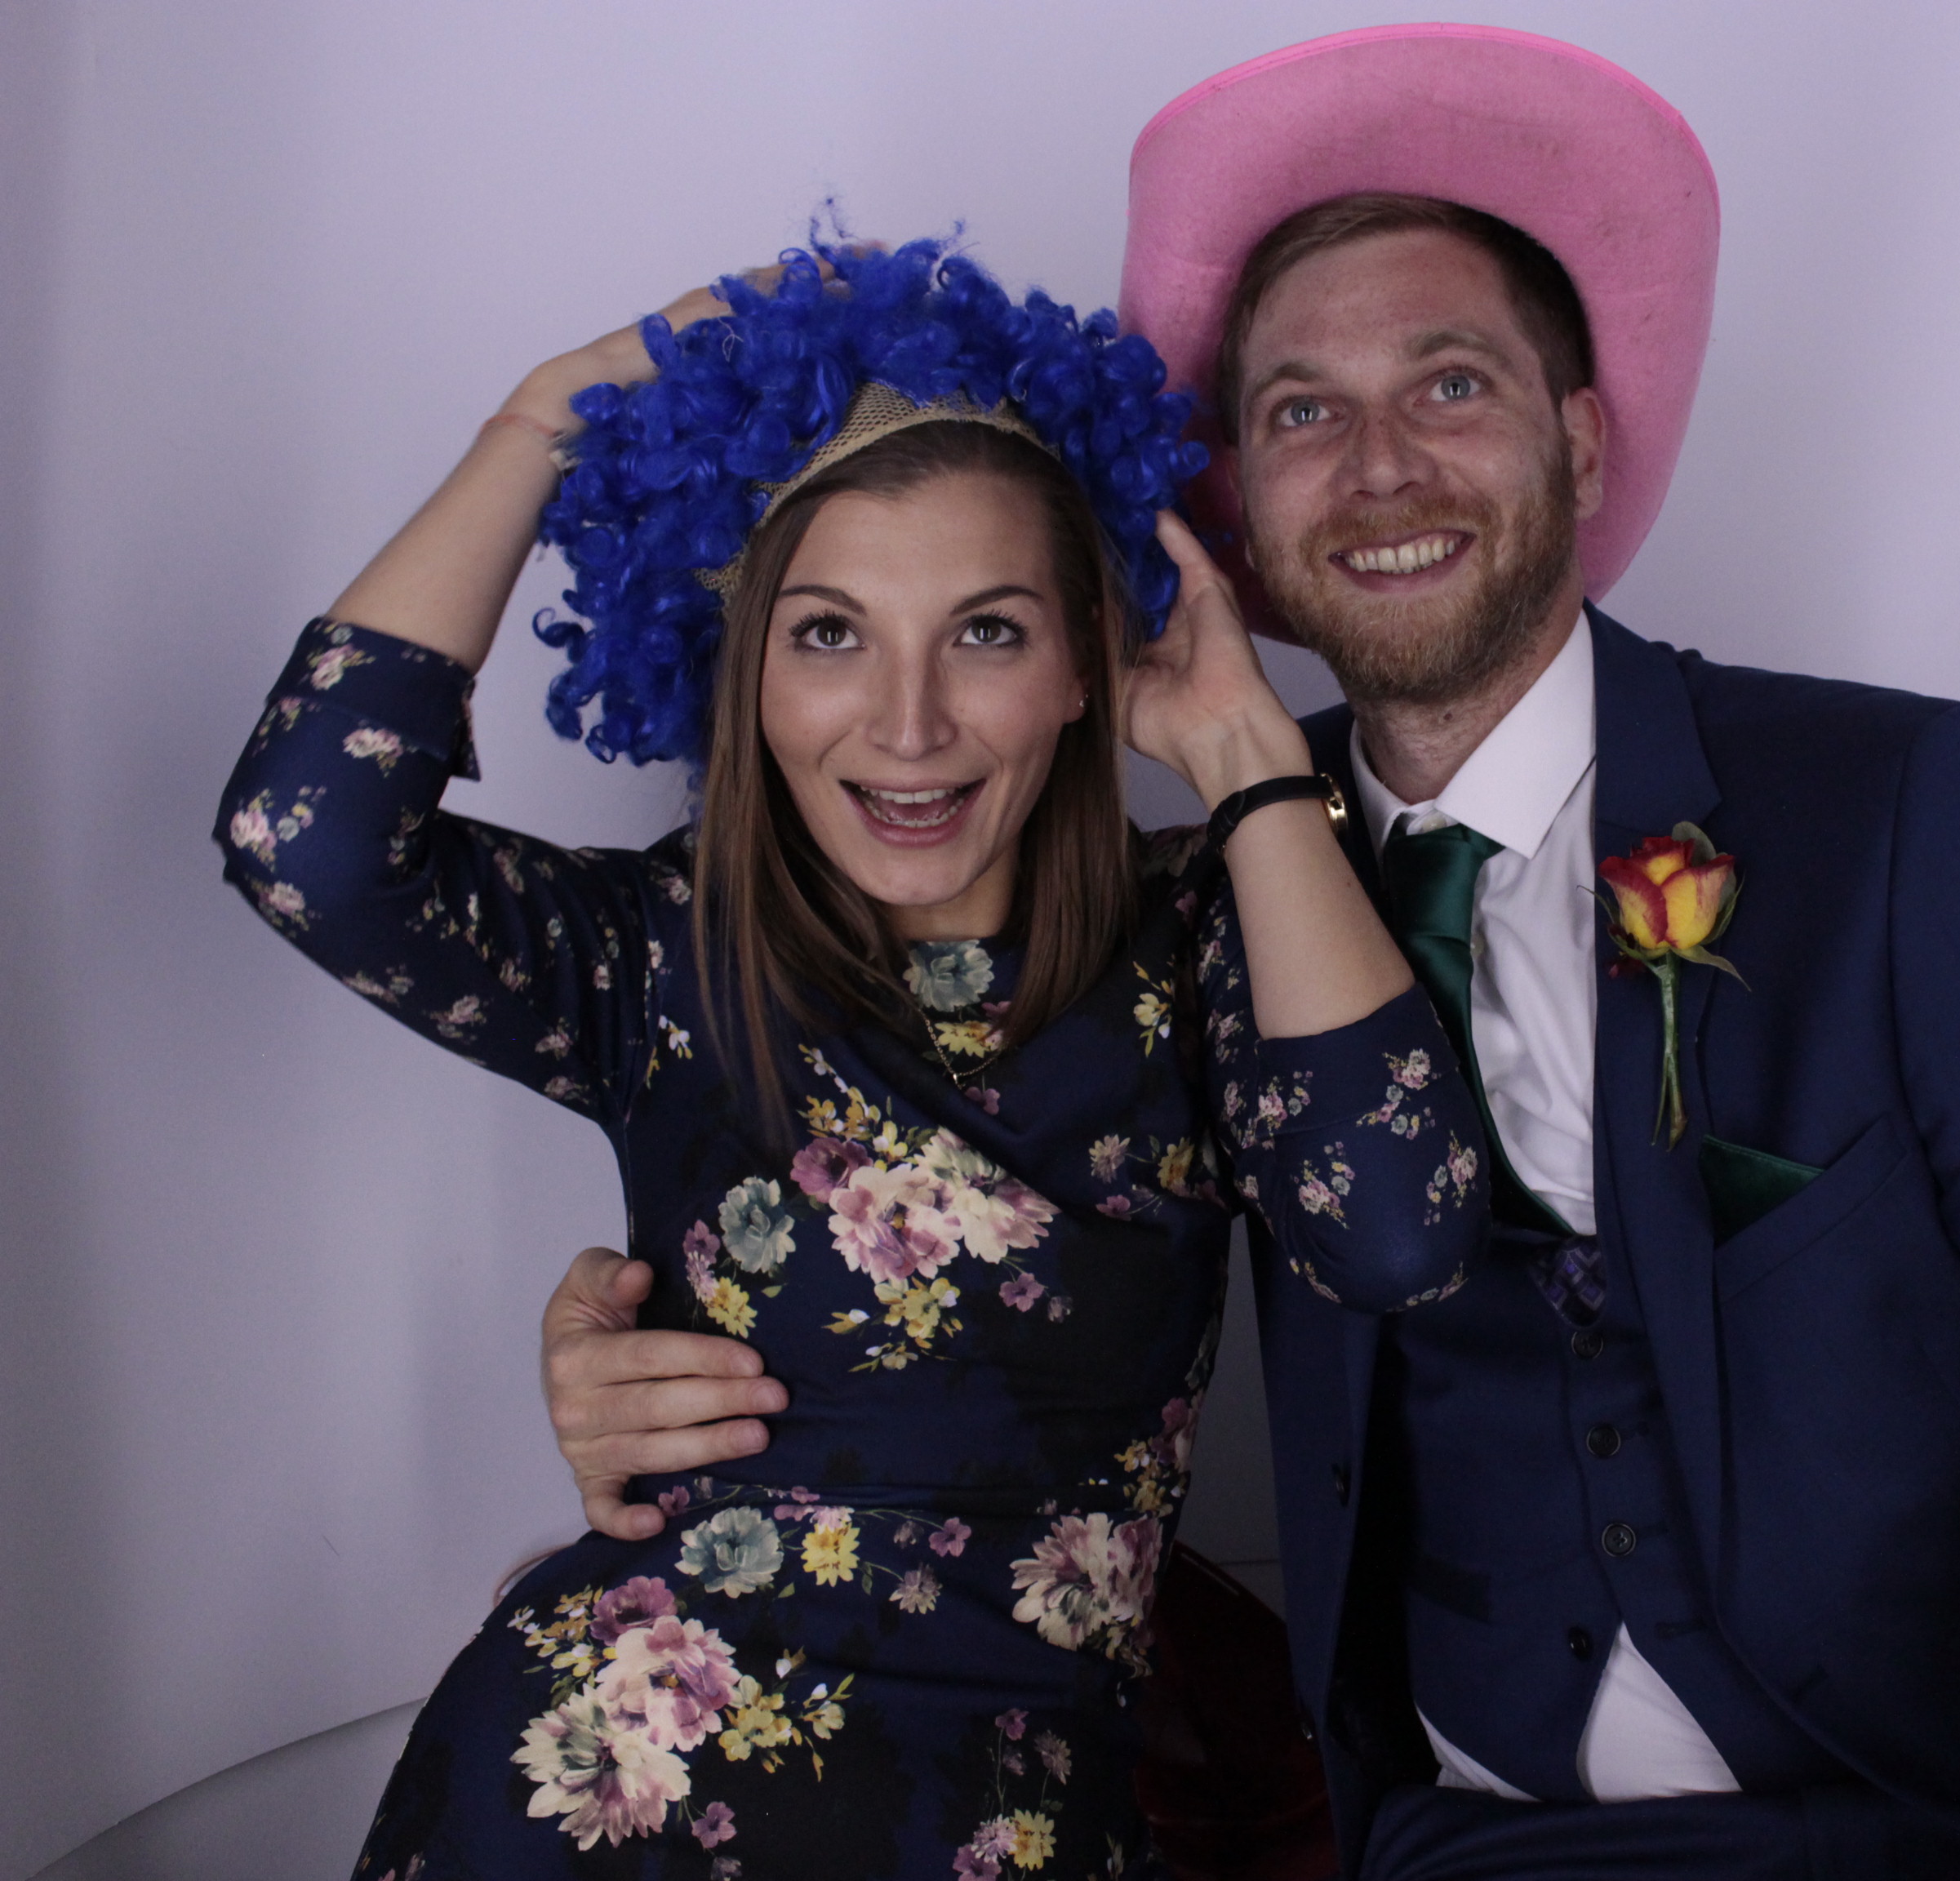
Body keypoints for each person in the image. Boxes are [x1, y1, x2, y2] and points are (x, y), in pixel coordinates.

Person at [541, 26, 1960, 1879]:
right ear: (1233, 504)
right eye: (1300, 413)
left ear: (1581, 436)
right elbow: (913, 1187)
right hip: (1474, 1839)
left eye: (1451, 384)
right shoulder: (1187, 908)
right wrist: (642, 1348)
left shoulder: (1895, 812)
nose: (1380, 468)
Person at [214, 234, 1485, 1877]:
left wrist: (1247, 755)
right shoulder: (666, 955)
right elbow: (304, 839)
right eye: (828, 635)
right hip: (588, 1807)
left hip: (1016, 1822)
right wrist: (543, 417)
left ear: (1089, 663)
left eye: (988, 632)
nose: (906, 723)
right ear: (743, 673)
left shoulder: (1210, 930)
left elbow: (1397, 1229)